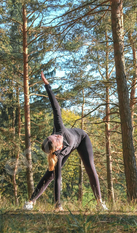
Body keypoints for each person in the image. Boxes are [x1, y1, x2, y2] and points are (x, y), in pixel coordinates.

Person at [23, 71, 108, 212]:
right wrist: (58, 205)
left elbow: (56, 108)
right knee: (51, 174)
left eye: (56, 137)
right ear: (57, 149)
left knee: (90, 168)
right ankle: (31, 202)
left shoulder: (59, 129)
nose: (58, 137)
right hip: (68, 148)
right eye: (57, 140)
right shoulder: (58, 154)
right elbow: (58, 180)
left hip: (81, 139)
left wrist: (47, 85)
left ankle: (100, 202)